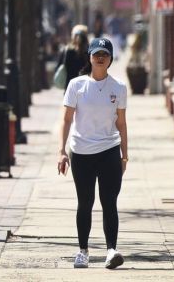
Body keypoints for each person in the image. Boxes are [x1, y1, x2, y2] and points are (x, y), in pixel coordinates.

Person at [57, 37, 128, 269]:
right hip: (81, 152)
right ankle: (83, 251)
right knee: (85, 202)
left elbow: (122, 124)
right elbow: (66, 120)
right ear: (89, 56)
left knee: (109, 202)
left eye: (104, 54)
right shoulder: (76, 85)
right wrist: (62, 151)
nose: (100, 57)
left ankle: (111, 251)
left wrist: (124, 155)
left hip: (109, 151)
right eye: (96, 53)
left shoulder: (118, 87)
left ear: (110, 59)